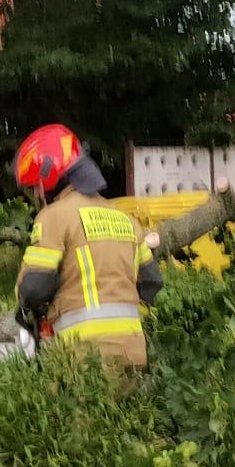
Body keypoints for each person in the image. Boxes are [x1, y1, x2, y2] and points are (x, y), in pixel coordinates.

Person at [13, 123, 162, 369]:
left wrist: (30, 308)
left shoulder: (53, 217)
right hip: (134, 353)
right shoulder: (127, 220)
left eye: (35, 187)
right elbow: (151, 283)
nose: (37, 194)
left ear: (48, 178)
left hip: (84, 357)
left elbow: (34, 289)